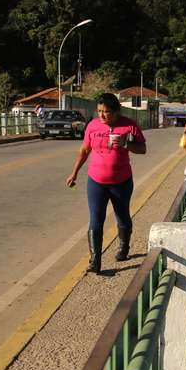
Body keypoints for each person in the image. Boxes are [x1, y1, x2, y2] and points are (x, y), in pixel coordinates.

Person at [65, 93, 147, 273]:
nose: (102, 115)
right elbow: (84, 150)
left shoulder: (129, 125)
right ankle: (95, 260)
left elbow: (142, 149)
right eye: (100, 111)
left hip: (121, 182)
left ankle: (124, 247)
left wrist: (126, 144)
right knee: (96, 220)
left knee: (122, 216)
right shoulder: (93, 125)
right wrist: (74, 173)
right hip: (96, 181)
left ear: (117, 112)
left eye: (107, 112)